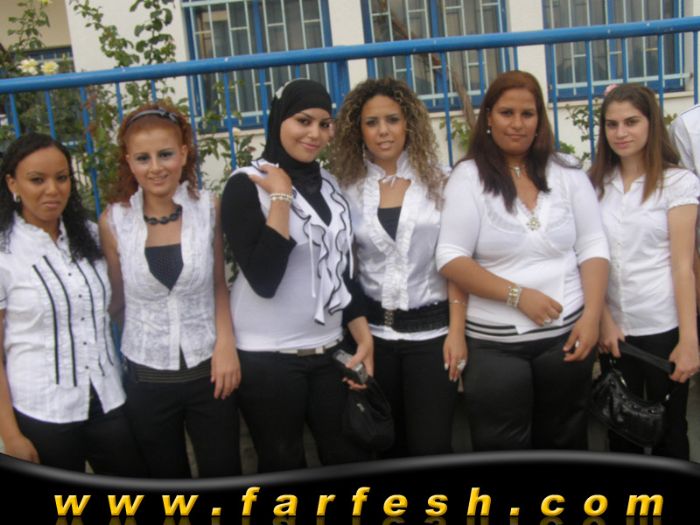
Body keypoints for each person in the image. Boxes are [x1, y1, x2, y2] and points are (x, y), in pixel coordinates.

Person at [436, 70, 610, 451]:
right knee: (502, 449)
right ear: (489, 117)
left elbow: (593, 245)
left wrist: (592, 317)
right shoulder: (468, 177)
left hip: (567, 338)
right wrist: (517, 295)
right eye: (506, 113)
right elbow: (450, 258)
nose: (517, 123)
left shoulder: (566, 171)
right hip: (495, 345)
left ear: (539, 120)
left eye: (527, 114)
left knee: (566, 441)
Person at [220, 78, 374, 472]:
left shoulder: (330, 185)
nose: (314, 134)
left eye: (324, 124)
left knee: (347, 458)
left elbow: (340, 270)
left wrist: (363, 338)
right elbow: (264, 278)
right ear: (278, 121)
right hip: (268, 359)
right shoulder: (245, 185)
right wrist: (281, 197)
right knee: (283, 463)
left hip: (329, 351)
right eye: (303, 121)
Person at [99, 101, 241, 478]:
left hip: (210, 373)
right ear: (129, 162)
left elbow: (218, 284)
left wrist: (226, 346)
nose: (155, 167)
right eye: (142, 158)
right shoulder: (115, 221)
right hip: (147, 380)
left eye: (165, 154)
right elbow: (116, 301)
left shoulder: (207, 208)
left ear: (183, 153)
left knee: (223, 472)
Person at [331, 77, 466, 457]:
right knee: (386, 447)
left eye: (392, 119)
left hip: (434, 337)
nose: (383, 131)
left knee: (432, 448)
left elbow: (456, 261)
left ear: (409, 123)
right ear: (358, 129)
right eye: (371, 122)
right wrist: (357, 341)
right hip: (374, 339)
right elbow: (344, 272)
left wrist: (457, 332)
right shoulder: (346, 189)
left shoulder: (442, 180)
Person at [0, 133, 146, 475]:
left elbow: (119, 303)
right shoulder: (5, 254)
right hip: (42, 410)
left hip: (108, 397)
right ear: (12, 184)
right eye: (37, 180)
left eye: (61, 177)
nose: (52, 189)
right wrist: (10, 435)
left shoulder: (92, 236)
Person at [590, 84, 700, 459]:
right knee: (621, 431)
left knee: (671, 430)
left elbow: (683, 266)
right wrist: (604, 321)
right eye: (612, 124)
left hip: (663, 327)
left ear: (651, 123)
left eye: (631, 122)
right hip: (616, 332)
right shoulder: (594, 186)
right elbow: (591, 259)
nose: (621, 132)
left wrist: (689, 340)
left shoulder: (678, 183)